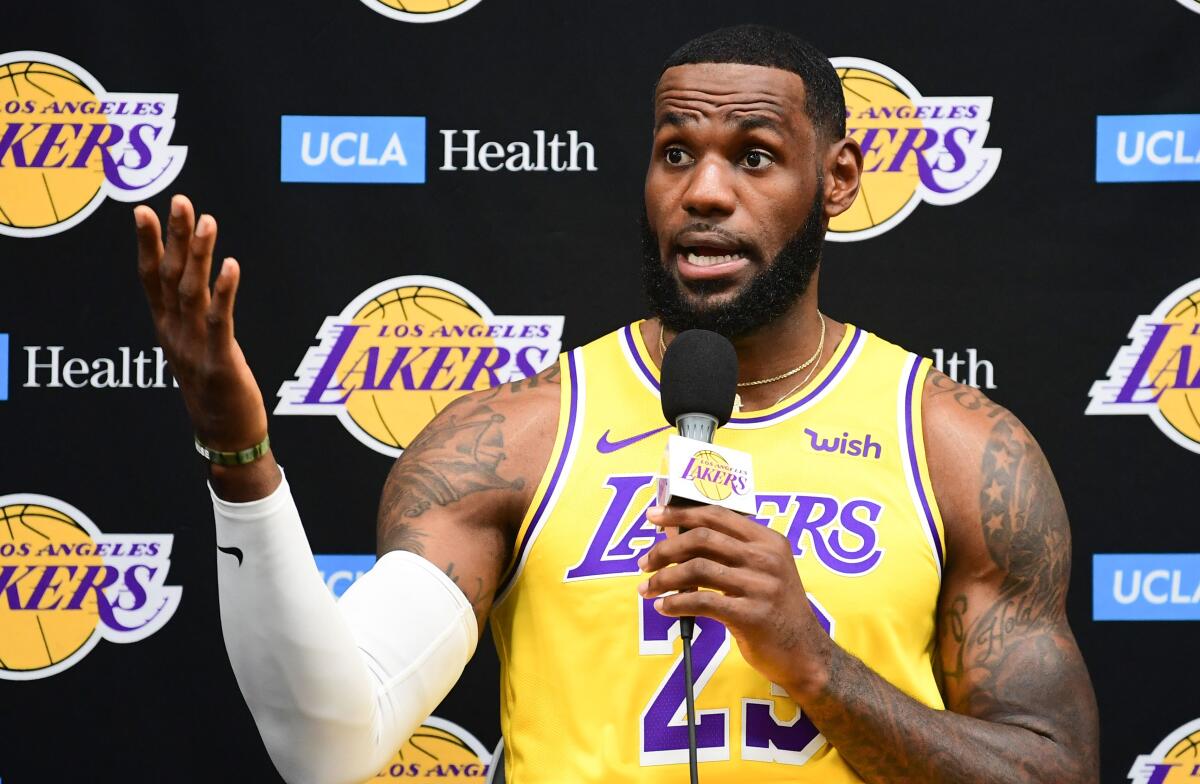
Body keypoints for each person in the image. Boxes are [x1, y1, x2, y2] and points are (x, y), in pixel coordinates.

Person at [134, 24, 1099, 784]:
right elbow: (326, 740)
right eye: (676, 153)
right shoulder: (513, 439)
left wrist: (816, 664)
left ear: (838, 178)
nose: (705, 192)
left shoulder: (956, 449)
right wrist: (237, 452)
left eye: (755, 156)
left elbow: (1052, 770)